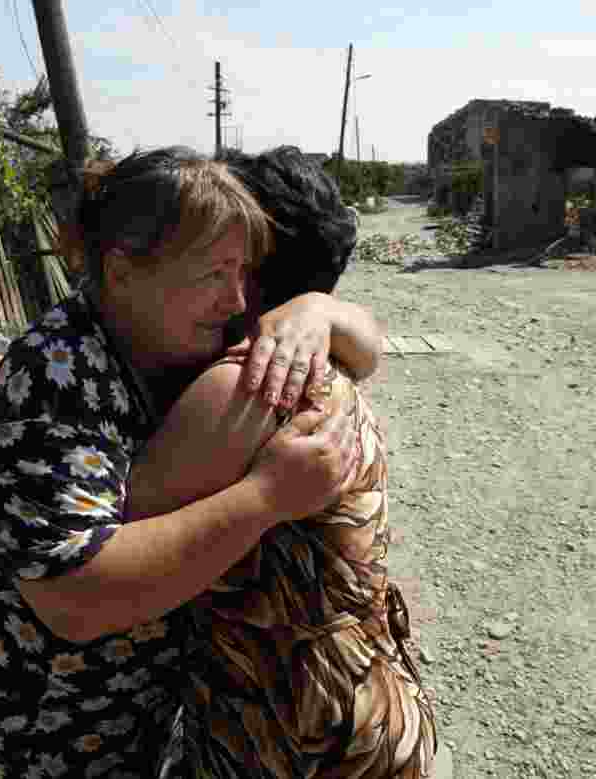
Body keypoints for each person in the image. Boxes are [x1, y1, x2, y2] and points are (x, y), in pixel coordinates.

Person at [0, 147, 384, 779]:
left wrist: (319, 309)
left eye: (245, 272)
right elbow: (74, 598)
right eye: (215, 273)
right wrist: (264, 497)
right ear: (122, 271)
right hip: (46, 726)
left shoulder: (172, 340)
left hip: (129, 714)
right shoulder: (59, 375)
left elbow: (371, 342)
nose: (235, 301)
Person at [127, 146, 439, 778]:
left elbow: (107, 539)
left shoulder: (245, 384)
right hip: (365, 702)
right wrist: (323, 308)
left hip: (293, 729)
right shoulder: (320, 356)